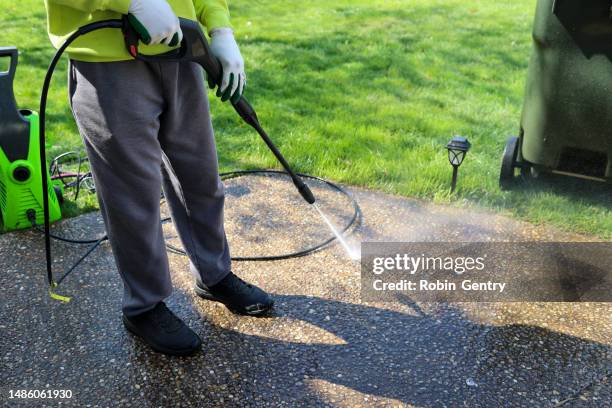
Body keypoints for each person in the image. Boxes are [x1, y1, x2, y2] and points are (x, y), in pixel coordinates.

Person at [44, 0, 274, 356]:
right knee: (133, 197)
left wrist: (220, 29)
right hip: (108, 64)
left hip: (181, 52)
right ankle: (144, 306)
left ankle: (214, 275)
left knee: (200, 179)